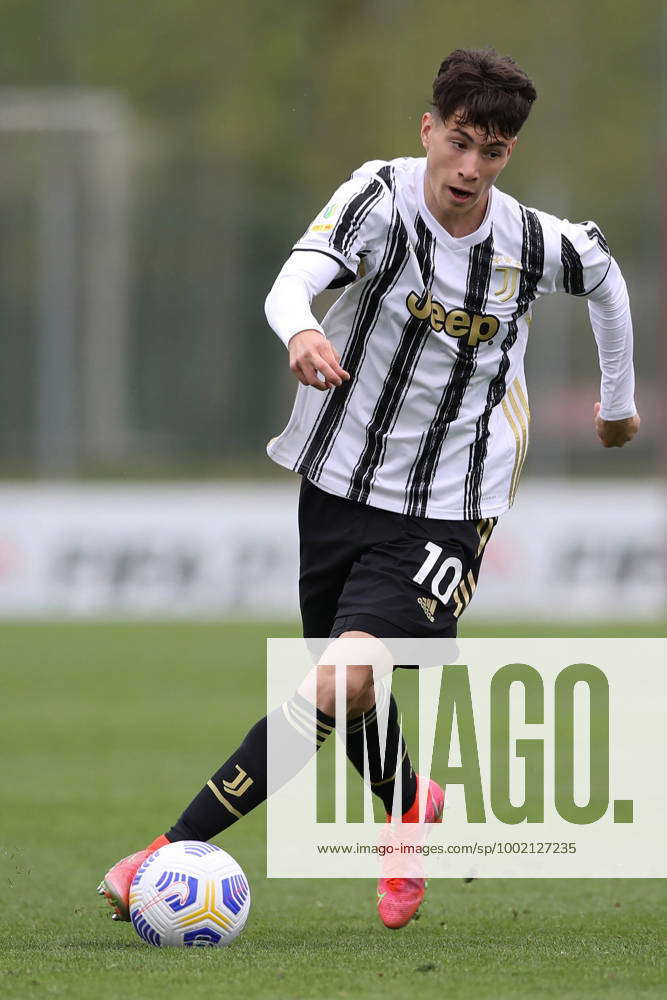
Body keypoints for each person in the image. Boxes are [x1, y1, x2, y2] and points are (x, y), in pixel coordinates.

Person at [98, 47, 639, 932]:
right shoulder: (376, 199)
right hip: (340, 479)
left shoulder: (532, 243)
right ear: (428, 128)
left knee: (340, 679)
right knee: (344, 687)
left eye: (492, 151)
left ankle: (162, 851)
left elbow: (607, 279)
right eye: (459, 141)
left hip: (451, 501)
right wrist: (303, 331)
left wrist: (615, 405)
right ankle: (408, 804)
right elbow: (291, 281)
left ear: (509, 155)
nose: (469, 169)